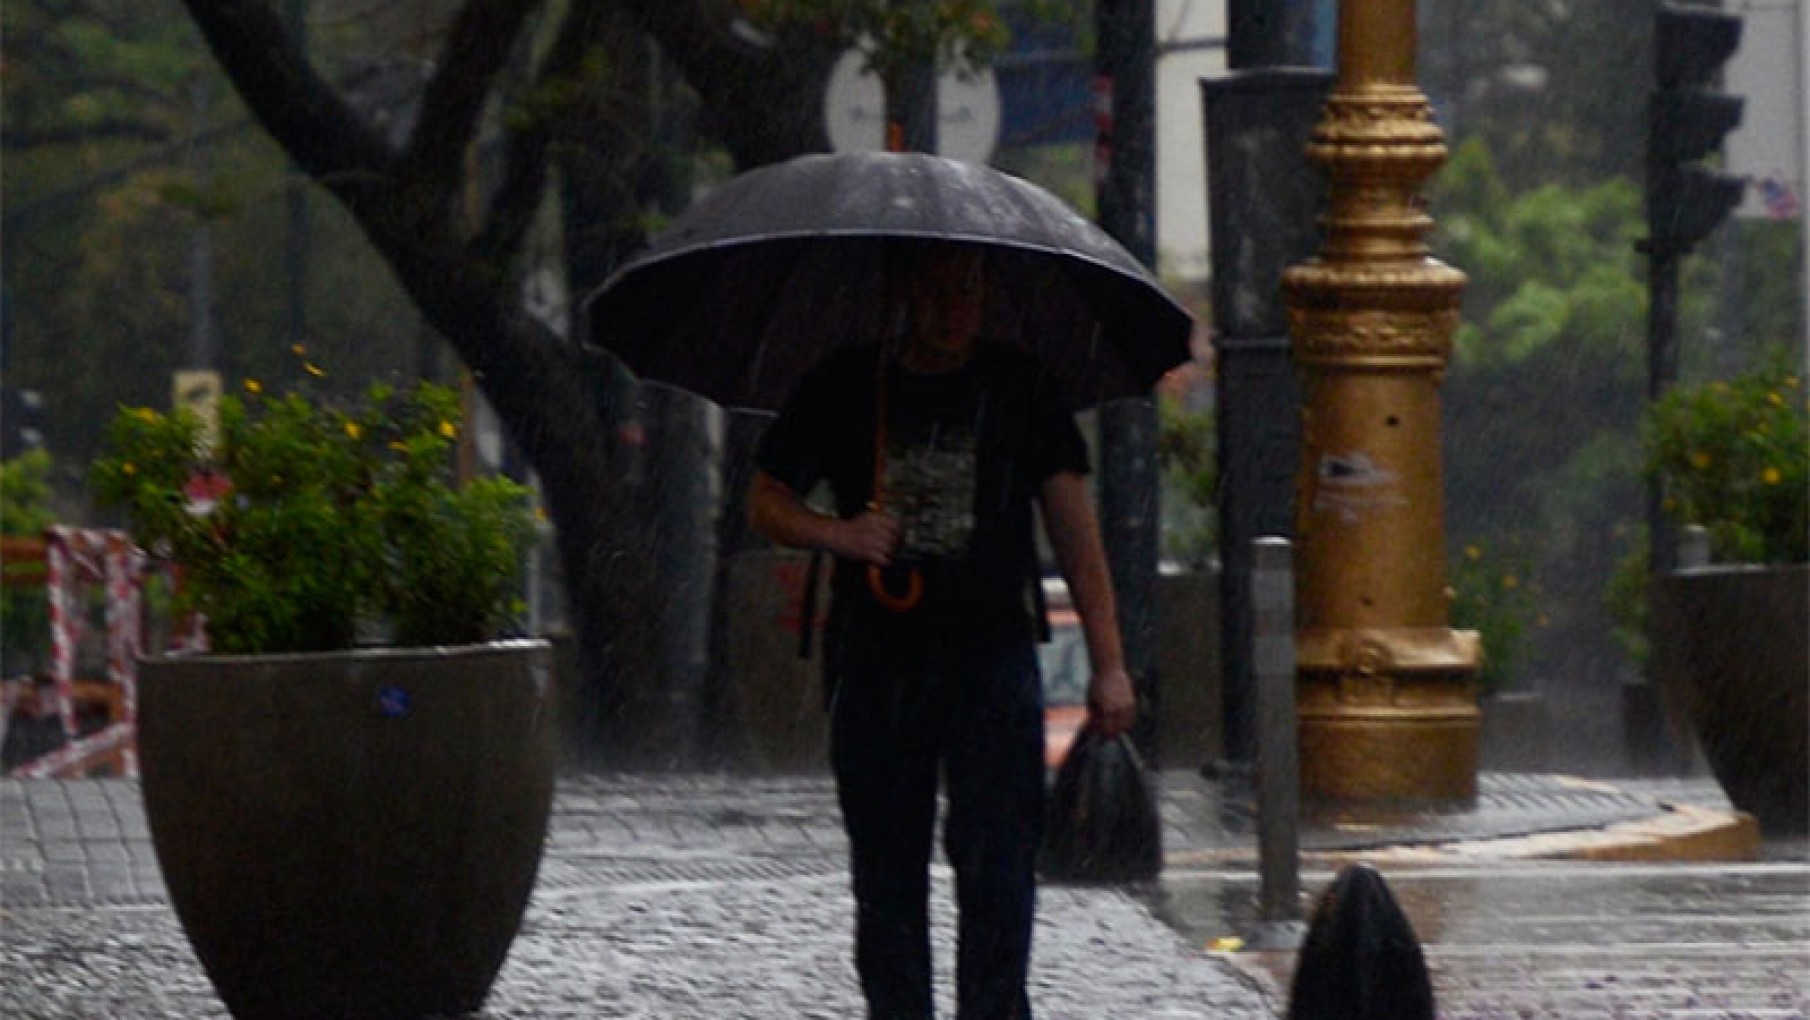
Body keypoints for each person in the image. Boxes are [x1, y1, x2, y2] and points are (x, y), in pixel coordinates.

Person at [747, 241, 1136, 1019]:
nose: (958, 308)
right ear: (902, 293)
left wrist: (1109, 663)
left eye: (970, 289)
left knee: (999, 865)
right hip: (875, 662)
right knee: (886, 873)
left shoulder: (1020, 387)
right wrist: (841, 533)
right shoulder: (850, 383)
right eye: (939, 290)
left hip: (990, 659)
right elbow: (765, 500)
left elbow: (1074, 531)